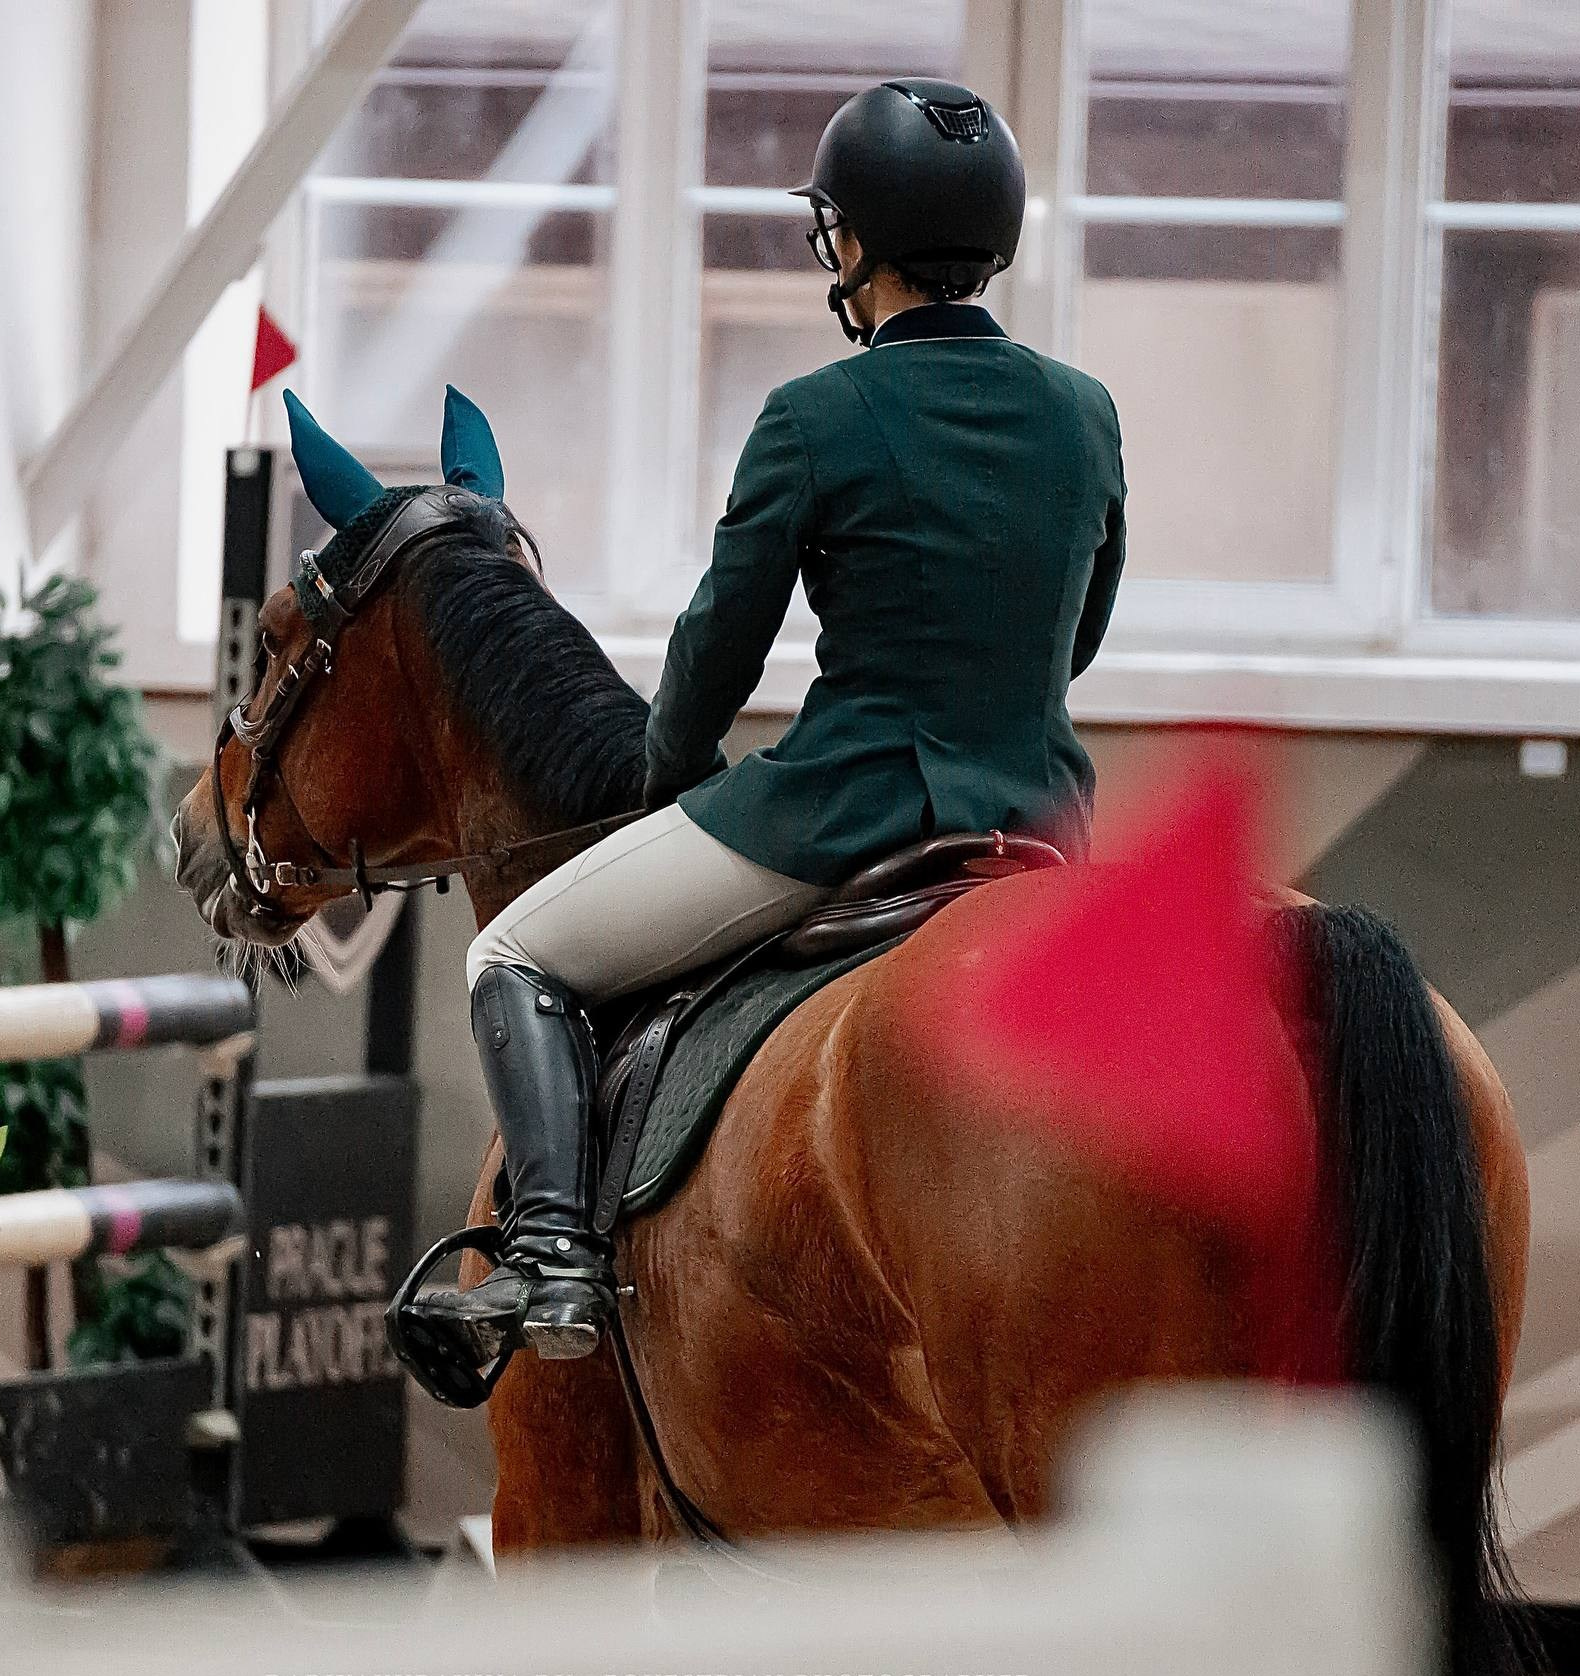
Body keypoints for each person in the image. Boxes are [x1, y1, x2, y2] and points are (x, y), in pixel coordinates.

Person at [406, 77, 1129, 1370]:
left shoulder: (816, 414)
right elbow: (1078, 632)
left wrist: (665, 772)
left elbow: (716, 648)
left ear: (851, 242)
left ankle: (557, 1253)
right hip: (1039, 824)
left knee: (513, 954)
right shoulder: (1085, 412)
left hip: (837, 816)